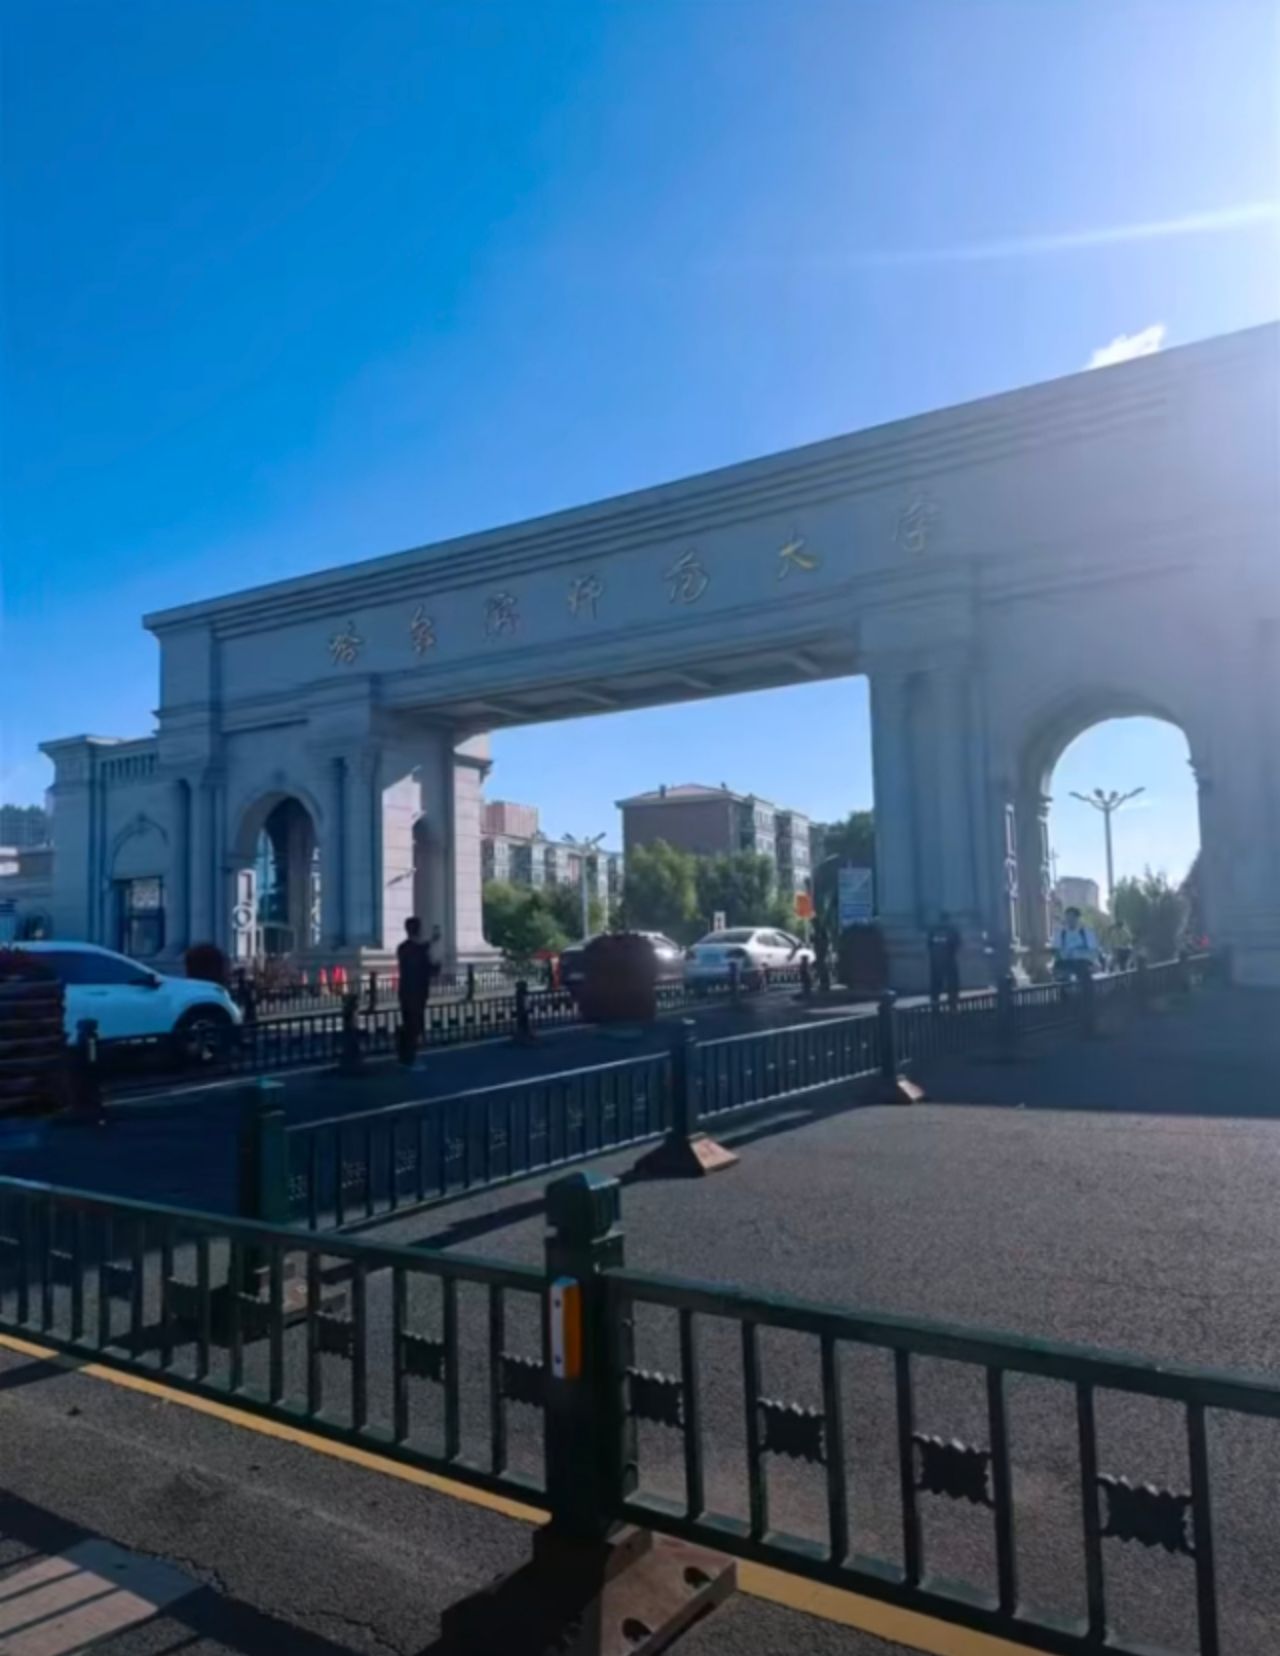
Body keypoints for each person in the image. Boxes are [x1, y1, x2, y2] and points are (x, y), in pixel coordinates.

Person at [396, 916, 433, 1065]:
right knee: (415, 1026)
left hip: (405, 992)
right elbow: (428, 969)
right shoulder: (419, 951)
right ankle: (411, 1057)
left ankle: (405, 1056)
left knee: (408, 1024)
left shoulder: (402, 948)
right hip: (418, 993)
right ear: (418, 930)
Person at [1054, 907, 1100, 988]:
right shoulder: (1061, 933)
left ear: (1077, 918)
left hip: (1082, 963)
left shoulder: (1086, 932)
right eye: (1068, 917)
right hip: (1065, 963)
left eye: (1072, 917)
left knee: (1085, 979)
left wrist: (1079, 954)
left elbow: (1093, 951)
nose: (1070, 920)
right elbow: (1056, 951)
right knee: (1062, 979)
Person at [926, 912, 962, 1011]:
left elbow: (929, 944)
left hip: (936, 962)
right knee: (952, 984)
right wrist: (951, 952)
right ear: (948, 919)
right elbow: (957, 943)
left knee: (936, 985)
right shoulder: (952, 930)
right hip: (949, 960)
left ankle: (935, 1007)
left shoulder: (934, 930)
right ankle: (953, 1006)